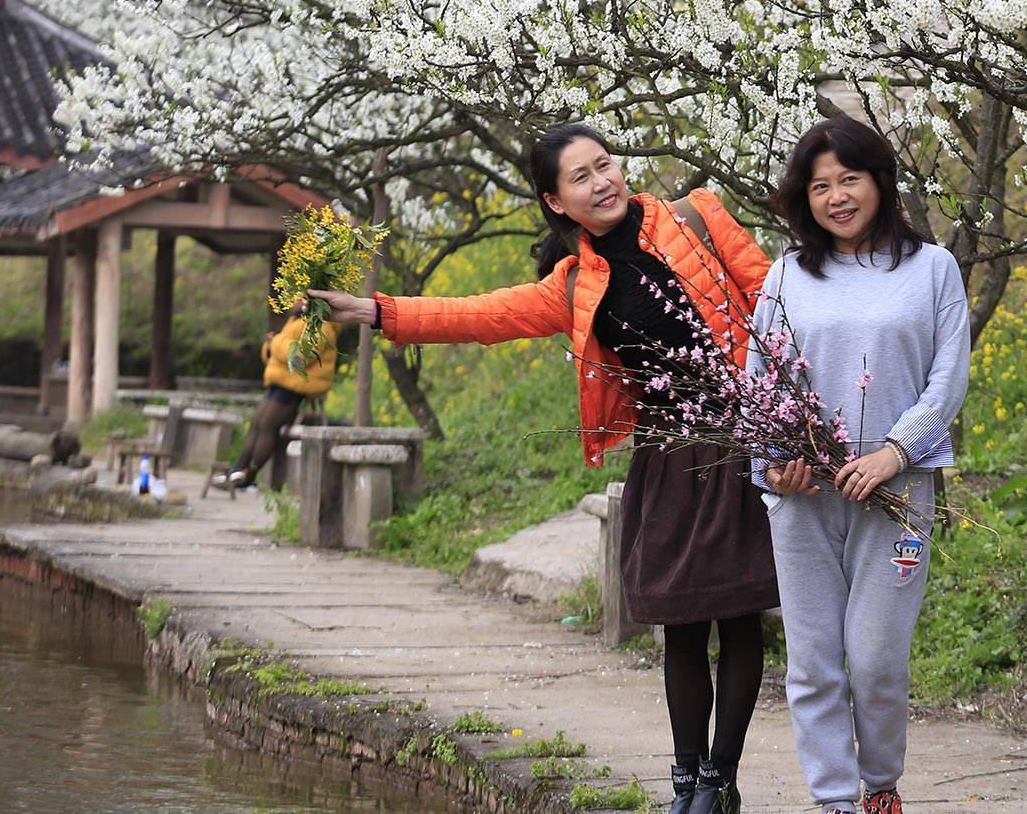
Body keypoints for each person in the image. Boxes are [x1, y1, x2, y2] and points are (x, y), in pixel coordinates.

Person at [307, 123, 774, 814]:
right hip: (669, 452)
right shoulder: (575, 283)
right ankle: (685, 781)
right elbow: (480, 314)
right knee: (680, 620)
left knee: (738, 615)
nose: (601, 181)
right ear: (556, 201)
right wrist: (377, 310)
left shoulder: (696, 214)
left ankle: (719, 780)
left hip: (740, 437)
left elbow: (779, 302)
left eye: (604, 164)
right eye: (579, 177)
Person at [752, 117, 970, 814]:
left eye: (850, 178)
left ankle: (880, 782)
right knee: (814, 661)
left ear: (880, 179)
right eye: (820, 185)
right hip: (806, 494)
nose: (837, 196)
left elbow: (947, 377)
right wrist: (776, 459)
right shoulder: (787, 273)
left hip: (899, 492)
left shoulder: (932, 268)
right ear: (803, 197)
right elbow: (764, 376)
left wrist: (894, 452)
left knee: (875, 657)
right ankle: (835, 802)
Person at [212, 310, 340, 491]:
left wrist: (276, 342)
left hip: (296, 386)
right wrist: (271, 346)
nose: (294, 300)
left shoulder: (321, 326)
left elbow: (299, 358)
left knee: (267, 425)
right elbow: (278, 355)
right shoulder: (296, 320)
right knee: (256, 423)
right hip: (280, 382)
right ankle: (237, 470)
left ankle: (249, 475)